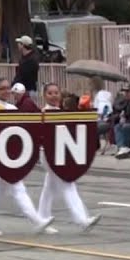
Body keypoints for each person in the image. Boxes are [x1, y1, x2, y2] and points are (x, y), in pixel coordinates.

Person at [0, 79, 55, 233]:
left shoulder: (13, 108)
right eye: (2, 89)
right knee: (18, 189)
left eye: (8, 88)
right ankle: (36, 221)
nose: (6, 91)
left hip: (13, 155)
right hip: (2, 156)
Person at [36, 83, 102, 232]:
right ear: (44, 96)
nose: (54, 95)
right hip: (47, 154)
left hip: (60, 153)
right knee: (67, 184)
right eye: (50, 93)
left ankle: (41, 219)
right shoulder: (43, 113)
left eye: (56, 92)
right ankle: (81, 220)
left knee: (49, 187)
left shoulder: (61, 112)